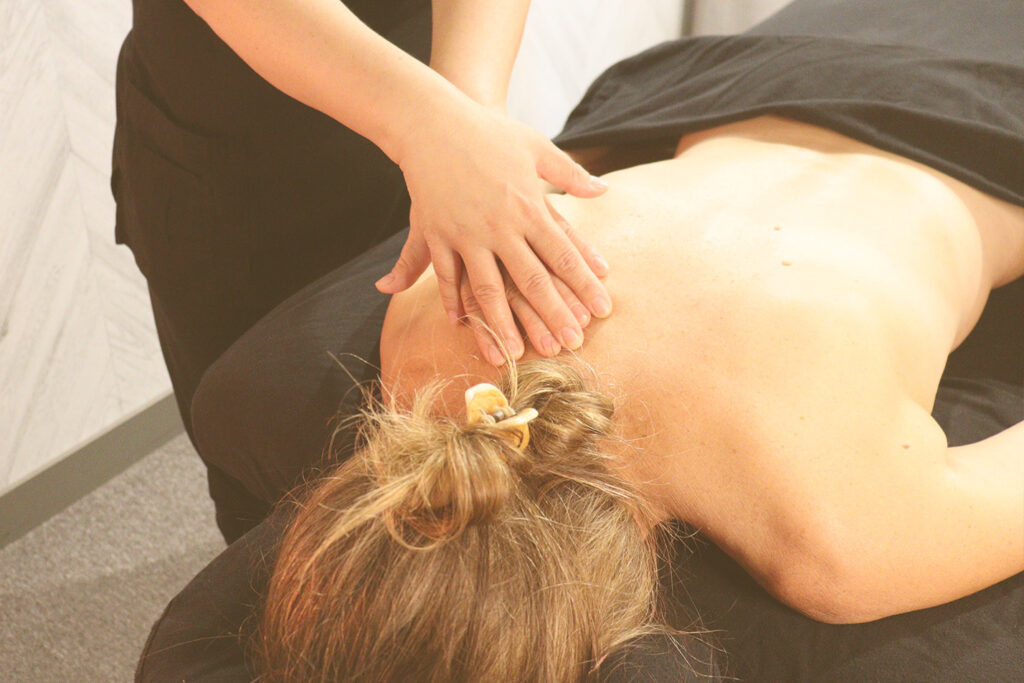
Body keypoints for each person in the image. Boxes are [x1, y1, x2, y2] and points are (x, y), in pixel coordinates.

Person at [137, 1, 1024, 680]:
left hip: (993, 121)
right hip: (736, 77)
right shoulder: (426, 345)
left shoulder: (838, 541)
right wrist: (459, 121)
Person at [112, 0, 613, 542]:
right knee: (271, 504)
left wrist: (467, 118)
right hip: (233, 150)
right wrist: (435, 127)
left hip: (426, 92)